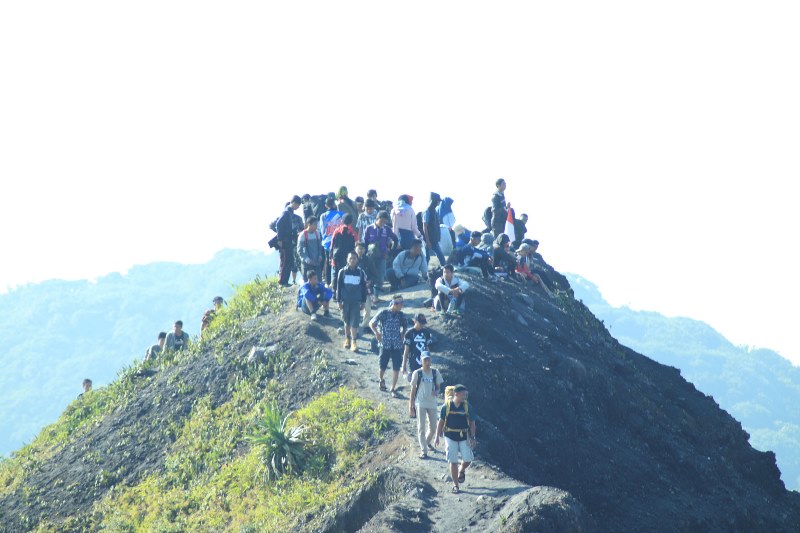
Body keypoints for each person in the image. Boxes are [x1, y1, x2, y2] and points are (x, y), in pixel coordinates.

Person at [435, 384, 476, 494]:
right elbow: (441, 422)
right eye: (463, 394)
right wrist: (437, 436)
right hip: (450, 436)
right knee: (453, 460)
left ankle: (461, 470)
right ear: (456, 394)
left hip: (463, 436)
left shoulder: (468, 406)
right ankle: (455, 485)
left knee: (467, 459)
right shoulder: (446, 406)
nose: (465, 397)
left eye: (466, 394)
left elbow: (472, 423)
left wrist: (473, 437)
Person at [369, 294, 408, 398]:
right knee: (382, 365)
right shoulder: (384, 313)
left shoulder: (401, 315)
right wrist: (377, 333)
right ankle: (381, 379)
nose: (401, 306)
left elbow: (405, 325)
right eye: (400, 304)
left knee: (396, 367)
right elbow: (372, 323)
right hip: (385, 343)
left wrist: (403, 334)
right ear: (395, 304)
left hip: (396, 344)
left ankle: (393, 388)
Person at [408, 352, 444, 459]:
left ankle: (427, 442)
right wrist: (411, 406)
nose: (427, 362)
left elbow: (438, 387)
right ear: (421, 361)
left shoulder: (435, 372)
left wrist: (437, 392)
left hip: (432, 403)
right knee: (421, 428)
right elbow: (413, 390)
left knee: (433, 427)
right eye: (425, 360)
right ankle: (424, 451)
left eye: (428, 360)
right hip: (421, 402)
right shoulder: (417, 373)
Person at [336, 252, 368, 351]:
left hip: (356, 301)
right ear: (347, 259)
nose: (352, 260)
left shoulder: (361, 272)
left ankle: (354, 341)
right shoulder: (342, 272)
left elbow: (363, 288)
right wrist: (338, 301)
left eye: (354, 258)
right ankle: (347, 339)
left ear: (357, 260)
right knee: (346, 321)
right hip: (345, 301)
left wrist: (363, 301)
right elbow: (339, 287)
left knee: (355, 322)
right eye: (350, 258)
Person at [363, 211, 398, 292]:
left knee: (381, 276)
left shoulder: (387, 229)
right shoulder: (369, 228)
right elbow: (365, 242)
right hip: (370, 257)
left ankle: (377, 294)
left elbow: (395, 240)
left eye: (385, 221)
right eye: (381, 221)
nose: (383, 223)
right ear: (377, 219)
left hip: (382, 256)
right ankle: (370, 293)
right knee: (371, 275)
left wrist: (391, 252)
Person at [330, 214, 359, 299]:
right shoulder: (352, 232)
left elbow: (332, 245)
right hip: (348, 258)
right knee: (345, 275)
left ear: (342, 221)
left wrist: (330, 257)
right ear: (351, 221)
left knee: (335, 275)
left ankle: (335, 293)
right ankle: (343, 293)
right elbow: (356, 245)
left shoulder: (337, 230)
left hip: (336, 257)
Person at [276, 195, 302, 287]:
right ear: (294, 203)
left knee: (289, 260)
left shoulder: (289, 212)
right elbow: (279, 224)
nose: (298, 207)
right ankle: (282, 282)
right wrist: (279, 239)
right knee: (286, 260)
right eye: (298, 205)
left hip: (288, 240)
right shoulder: (286, 212)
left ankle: (285, 281)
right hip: (285, 240)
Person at [320, 198, 344, 286]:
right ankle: (338, 281)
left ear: (326, 206)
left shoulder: (323, 216)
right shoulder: (341, 214)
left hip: (327, 241)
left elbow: (322, 230)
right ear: (334, 204)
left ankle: (328, 282)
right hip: (339, 240)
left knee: (327, 261)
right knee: (339, 260)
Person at [402, 313, 433, 378]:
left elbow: (428, 349)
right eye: (421, 323)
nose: (422, 325)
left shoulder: (426, 332)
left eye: (423, 323)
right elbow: (406, 350)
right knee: (414, 381)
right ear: (415, 321)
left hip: (424, 361)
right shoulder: (409, 333)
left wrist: (430, 361)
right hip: (412, 362)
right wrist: (403, 365)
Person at [297, 216, 325, 283]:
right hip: (307, 264)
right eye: (314, 224)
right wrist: (306, 259)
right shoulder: (303, 235)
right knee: (307, 283)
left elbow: (319, 246)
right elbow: (299, 250)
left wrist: (320, 255)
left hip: (316, 263)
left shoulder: (317, 233)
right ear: (309, 224)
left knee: (319, 282)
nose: (316, 226)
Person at [422, 192, 446, 267]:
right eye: (438, 201)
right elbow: (425, 227)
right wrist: (427, 241)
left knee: (441, 256)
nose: (439, 203)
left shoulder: (434, 211)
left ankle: (444, 270)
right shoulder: (427, 211)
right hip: (428, 240)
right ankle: (423, 274)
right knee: (426, 258)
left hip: (434, 240)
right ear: (434, 201)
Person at [290, 209, 305, 285]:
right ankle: (294, 280)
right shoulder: (298, 218)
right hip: (292, 243)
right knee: (296, 262)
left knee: (298, 261)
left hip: (294, 243)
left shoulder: (297, 218)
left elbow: (302, 229)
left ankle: (298, 279)